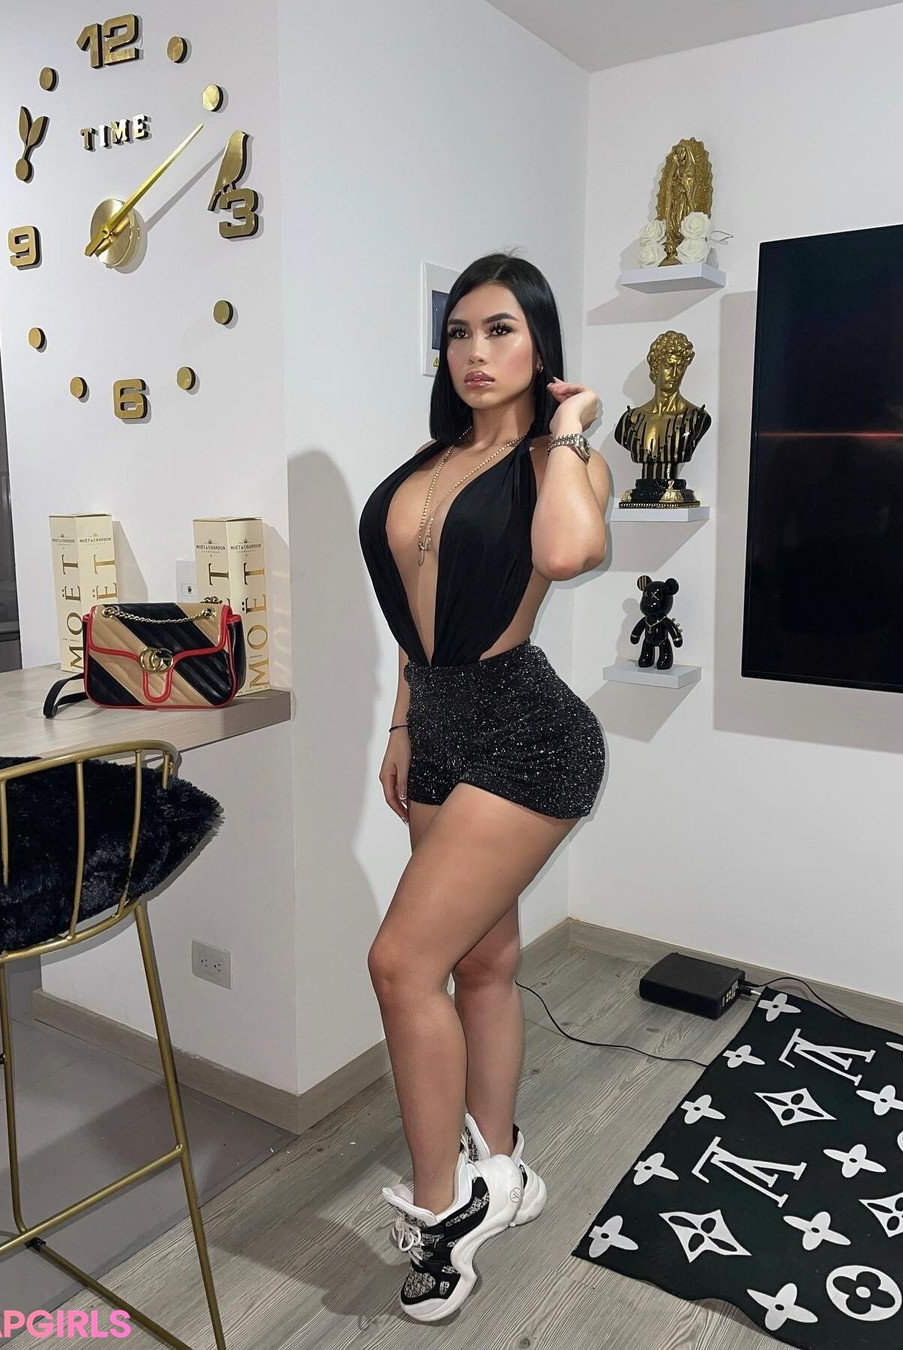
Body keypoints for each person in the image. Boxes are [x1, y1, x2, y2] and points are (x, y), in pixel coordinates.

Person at [357, 252, 609, 1322]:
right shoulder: (428, 460)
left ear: (539, 343)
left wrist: (568, 428)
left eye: (501, 329)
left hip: (528, 737)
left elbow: (571, 552)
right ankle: (502, 1169)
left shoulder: (560, 463)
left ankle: (442, 1212)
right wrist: (403, 722)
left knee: (400, 964)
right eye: (459, 331)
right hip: (440, 734)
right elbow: (411, 614)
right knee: (484, 963)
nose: (475, 351)